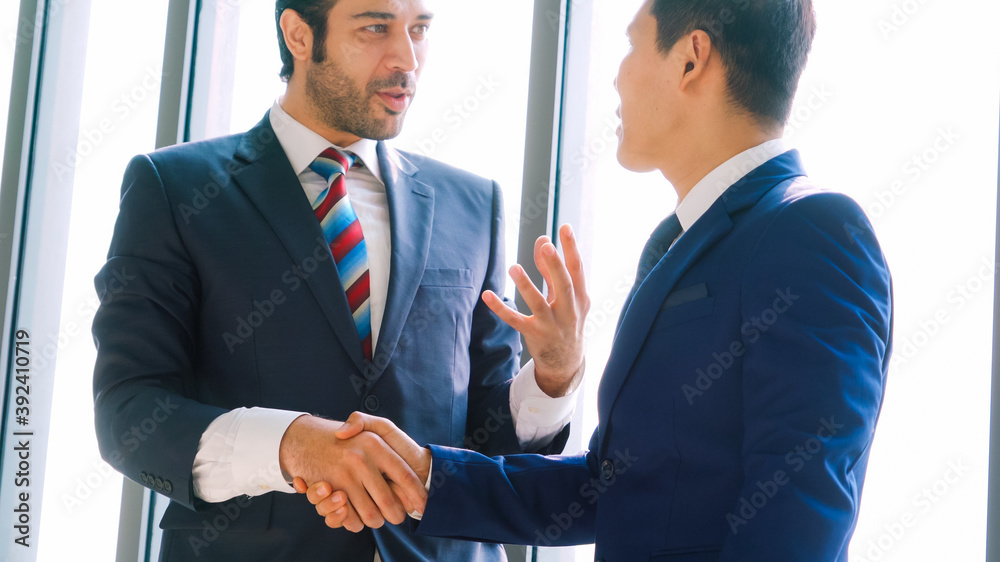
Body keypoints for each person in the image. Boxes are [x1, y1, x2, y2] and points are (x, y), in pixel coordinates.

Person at [302, 0, 894, 560]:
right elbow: (612, 486)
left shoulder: (812, 229)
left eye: (631, 46)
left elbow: (800, 507)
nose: (616, 78)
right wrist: (426, 476)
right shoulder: (679, 241)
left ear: (691, 58)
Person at [91, 0, 589, 560]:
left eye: (419, 30)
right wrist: (293, 445)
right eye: (375, 28)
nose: (407, 58)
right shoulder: (175, 189)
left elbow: (486, 443)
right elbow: (129, 413)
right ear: (299, 36)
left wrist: (553, 376)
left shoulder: (474, 205)